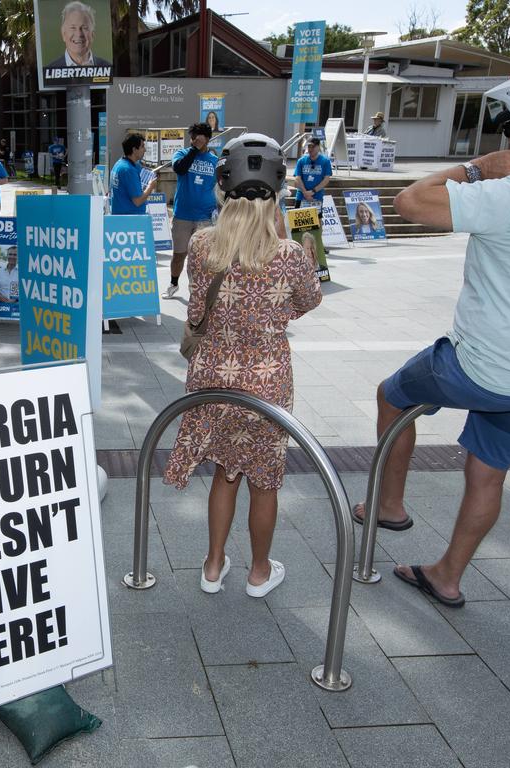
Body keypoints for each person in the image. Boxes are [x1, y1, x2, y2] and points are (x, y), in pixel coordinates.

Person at [359, 61, 510, 608]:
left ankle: (389, 506)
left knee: (392, 394)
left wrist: (479, 166)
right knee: (486, 471)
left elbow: (408, 201)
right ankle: (447, 575)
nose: (507, 135)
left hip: (480, 367)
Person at [163, 133, 322, 597]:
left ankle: (213, 566)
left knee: (225, 472)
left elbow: (196, 314)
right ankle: (257, 571)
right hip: (267, 387)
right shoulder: (290, 255)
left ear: (223, 191)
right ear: (276, 194)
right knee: (265, 478)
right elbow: (306, 303)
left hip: (213, 379)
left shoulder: (201, 246)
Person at [164, 122, 218, 299]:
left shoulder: (214, 161)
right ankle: (173, 283)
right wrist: (194, 150)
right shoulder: (182, 154)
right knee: (179, 254)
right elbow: (179, 168)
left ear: (207, 139)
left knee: (201, 258)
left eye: (199, 137)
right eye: (192, 137)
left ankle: (198, 290)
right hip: (183, 215)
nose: (194, 140)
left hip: (205, 217)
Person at [44, 2, 112, 71]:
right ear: (64, 34)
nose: (79, 34)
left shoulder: (108, 68)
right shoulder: (50, 71)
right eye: (73, 28)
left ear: (92, 34)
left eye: (84, 28)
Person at [109, 132, 157, 215]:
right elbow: (137, 201)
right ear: (134, 149)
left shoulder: (119, 163)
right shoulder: (128, 170)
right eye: (142, 146)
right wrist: (150, 187)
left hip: (121, 216)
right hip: (130, 220)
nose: (145, 150)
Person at [293, 137, 332, 208]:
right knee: (297, 219)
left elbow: (326, 179)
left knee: (317, 219)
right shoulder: (301, 161)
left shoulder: (325, 161)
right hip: (301, 196)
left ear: (318, 147)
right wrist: (305, 193)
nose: (310, 149)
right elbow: (297, 178)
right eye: (309, 146)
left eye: (313, 146)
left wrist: (312, 192)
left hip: (316, 197)